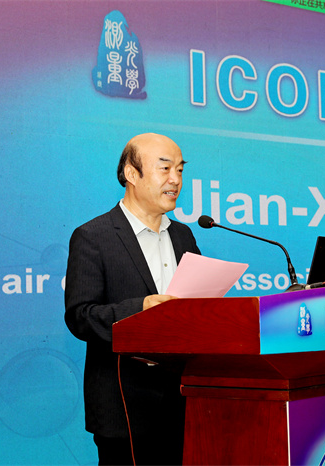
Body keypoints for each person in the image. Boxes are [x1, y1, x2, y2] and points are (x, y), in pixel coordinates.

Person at [65, 133, 200, 465]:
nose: (175, 179)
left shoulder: (183, 235)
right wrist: (141, 308)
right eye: (165, 168)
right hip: (125, 406)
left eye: (180, 170)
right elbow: (80, 316)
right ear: (131, 173)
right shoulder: (93, 237)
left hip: (185, 401)